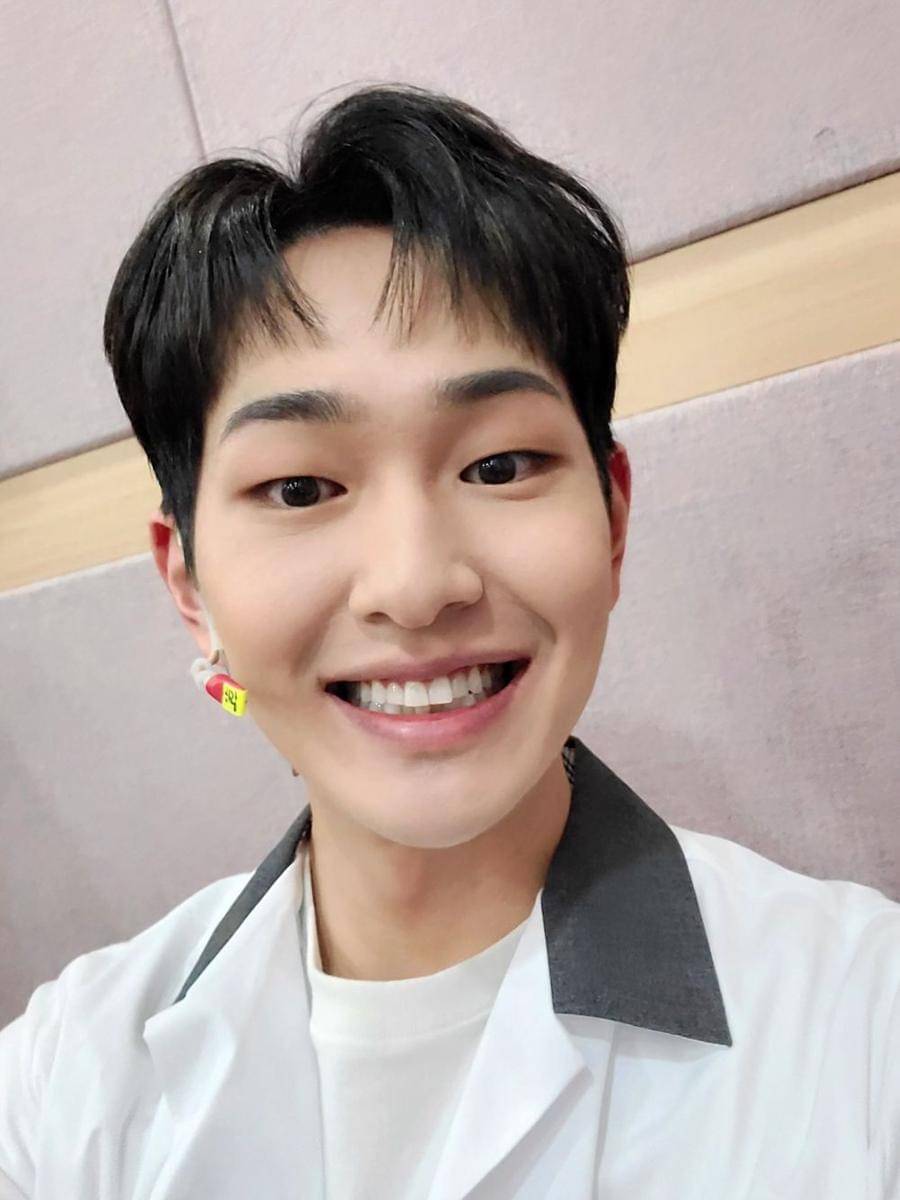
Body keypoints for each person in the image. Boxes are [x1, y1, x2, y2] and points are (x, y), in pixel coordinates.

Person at [1, 82, 897, 1200]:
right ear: (188, 583)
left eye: (500, 466)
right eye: (300, 488)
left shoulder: (862, 1031)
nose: (417, 585)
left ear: (613, 520)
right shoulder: (63, 1082)